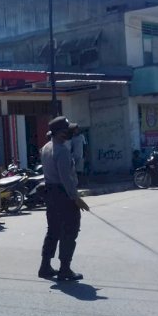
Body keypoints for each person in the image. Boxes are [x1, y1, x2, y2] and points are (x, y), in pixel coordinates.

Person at [38, 116, 90, 281]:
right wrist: (76, 198)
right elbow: (65, 179)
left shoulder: (45, 147)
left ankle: (45, 266)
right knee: (70, 230)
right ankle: (65, 268)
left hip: (51, 194)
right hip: (63, 194)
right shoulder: (61, 151)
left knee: (53, 231)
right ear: (60, 133)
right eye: (67, 130)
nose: (70, 133)